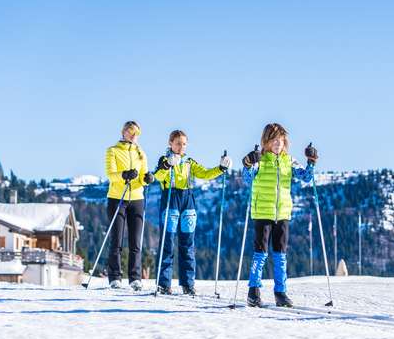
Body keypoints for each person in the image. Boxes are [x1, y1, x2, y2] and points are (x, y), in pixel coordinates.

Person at [241, 123, 318, 307]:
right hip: (262, 212)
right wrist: (248, 162)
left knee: (280, 255)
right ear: (266, 142)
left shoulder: (289, 160)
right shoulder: (260, 160)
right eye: (274, 140)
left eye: (281, 140)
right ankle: (254, 291)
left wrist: (311, 161)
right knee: (260, 254)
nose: (278, 143)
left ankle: (281, 292)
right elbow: (246, 178)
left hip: (282, 213)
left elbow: (306, 177)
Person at [153, 130, 232, 295]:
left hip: (188, 201)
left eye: (184, 144)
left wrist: (221, 168)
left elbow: (204, 173)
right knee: (167, 243)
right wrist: (168, 164)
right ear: (170, 144)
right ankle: (163, 283)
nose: (181, 147)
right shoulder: (164, 160)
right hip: (171, 199)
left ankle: (188, 284)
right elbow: (158, 176)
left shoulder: (189, 162)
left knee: (187, 244)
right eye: (178, 143)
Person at [104, 121, 154, 291]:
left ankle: (135, 278)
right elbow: (111, 174)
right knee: (116, 239)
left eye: (136, 133)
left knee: (135, 240)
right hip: (117, 197)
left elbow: (142, 177)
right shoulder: (113, 151)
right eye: (130, 131)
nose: (133, 135)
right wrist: (124, 175)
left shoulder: (141, 153)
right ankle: (115, 277)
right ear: (123, 132)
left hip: (137, 198)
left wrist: (146, 179)